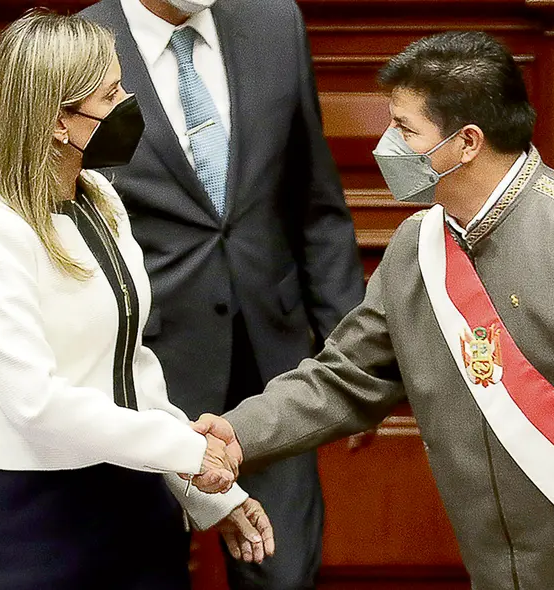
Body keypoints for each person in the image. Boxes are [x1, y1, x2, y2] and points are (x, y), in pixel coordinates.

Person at [195, 31, 554, 590]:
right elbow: (344, 378)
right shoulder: (416, 247)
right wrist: (239, 434)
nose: (386, 144)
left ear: (467, 142)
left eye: (405, 129)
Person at [0, 11, 273, 590]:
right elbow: (35, 403)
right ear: (57, 121)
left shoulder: (101, 202)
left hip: (134, 506)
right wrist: (185, 451)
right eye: (111, 93)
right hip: (32, 520)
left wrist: (208, 491)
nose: (128, 103)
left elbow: (131, 373)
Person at [79, 0, 366, 588]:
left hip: (272, 362)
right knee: (146, 573)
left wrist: (353, 362)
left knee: (284, 573)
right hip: (142, 371)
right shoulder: (83, 41)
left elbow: (316, 203)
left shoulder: (272, 21)